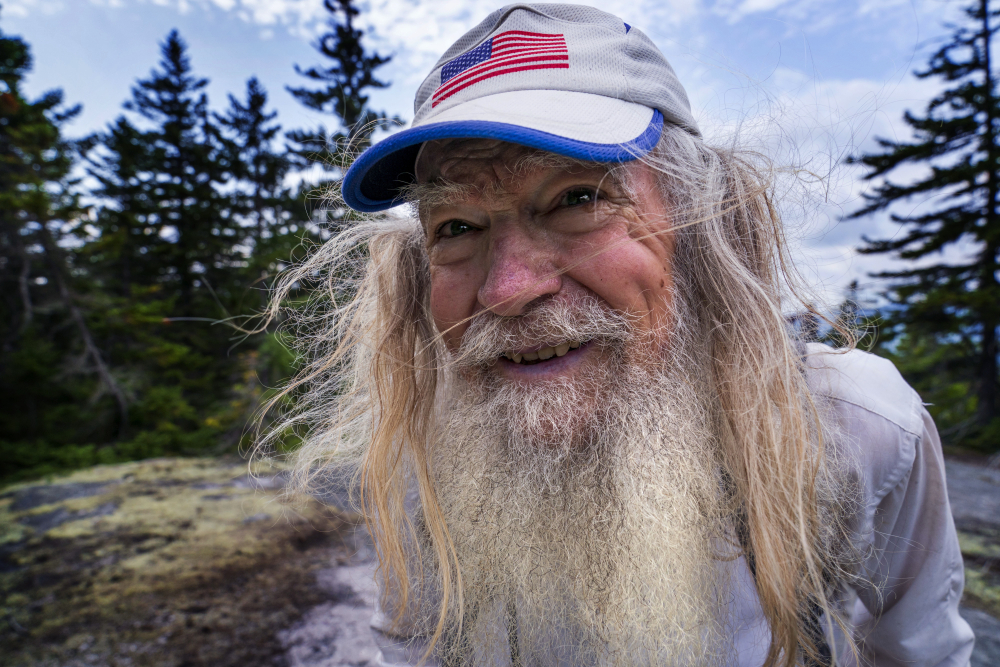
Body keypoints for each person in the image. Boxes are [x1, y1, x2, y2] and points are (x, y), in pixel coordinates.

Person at [265, 4, 975, 665]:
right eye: (456, 228)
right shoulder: (422, 457)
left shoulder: (857, 427)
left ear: (700, 222)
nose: (507, 289)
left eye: (578, 198)